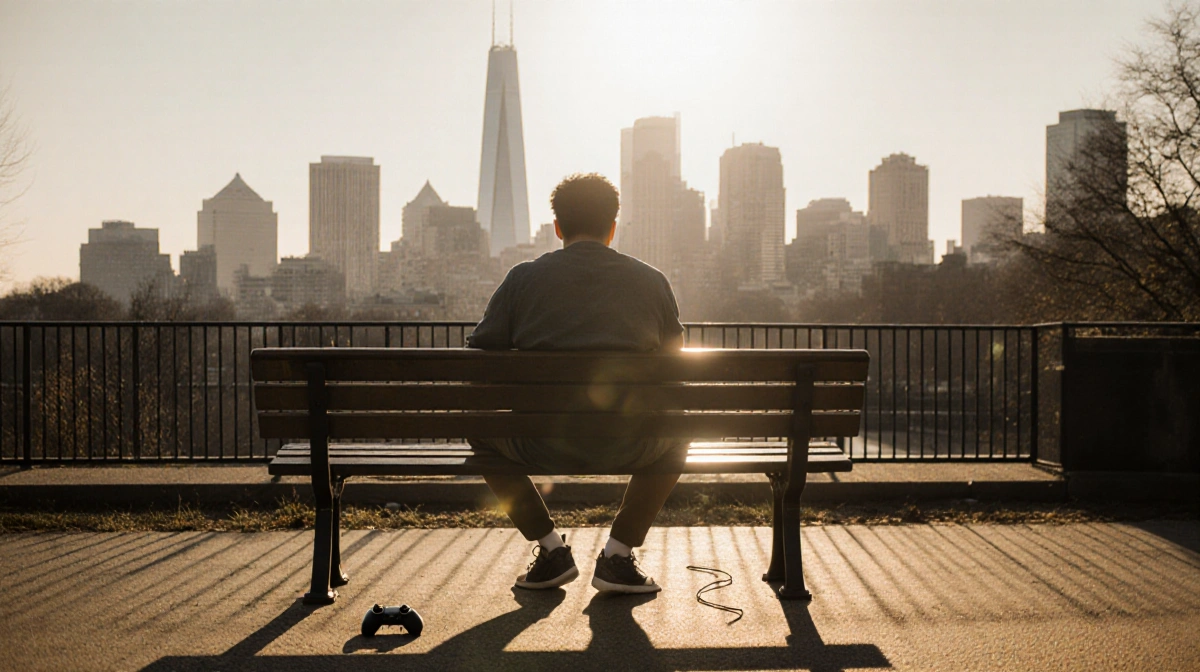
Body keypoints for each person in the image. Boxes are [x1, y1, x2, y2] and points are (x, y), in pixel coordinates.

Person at [467, 173, 685, 595]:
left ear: (558, 227)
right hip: (630, 441)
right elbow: (674, 362)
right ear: (613, 226)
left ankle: (551, 551)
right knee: (679, 436)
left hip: (539, 442)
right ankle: (618, 555)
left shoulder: (522, 279)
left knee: (481, 434)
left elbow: (481, 354)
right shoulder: (650, 281)